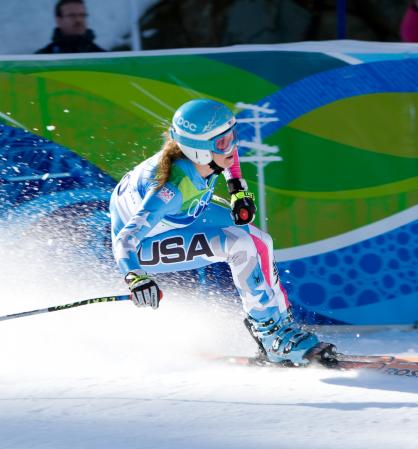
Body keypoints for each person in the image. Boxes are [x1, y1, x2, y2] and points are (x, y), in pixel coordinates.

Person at [109, 99, 336, 366]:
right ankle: (271, 336)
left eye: (232, 136)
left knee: (259, 240)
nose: (232, 145)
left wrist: (238, 191)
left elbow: (231, 159)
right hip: (142, 246)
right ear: (199, 151)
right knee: (240, 244)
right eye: (221, 142)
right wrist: (136, 279)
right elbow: (125, 239)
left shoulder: (206, 157)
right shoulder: (172, 190)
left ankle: (280, 324)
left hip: (181, 215)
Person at [36, 0, 105, 54]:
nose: (78, 20)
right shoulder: (40, 60)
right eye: (72, 15)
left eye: (82, 15)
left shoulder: (104, 58)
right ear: (58, 20)